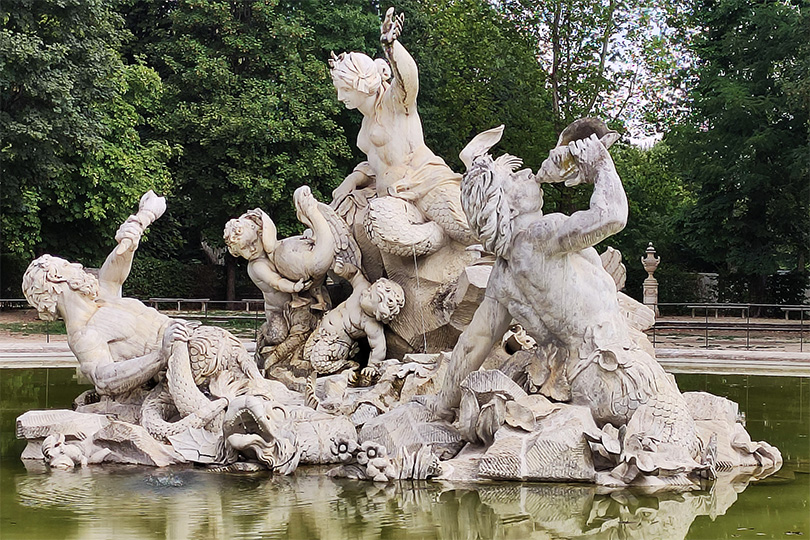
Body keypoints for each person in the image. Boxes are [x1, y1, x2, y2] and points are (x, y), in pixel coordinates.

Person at [431, 125, 702, 475]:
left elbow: (472, 345)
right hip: (620, 377)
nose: (528, 171)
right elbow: (613, 216)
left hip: (572, 386)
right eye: (513, 176)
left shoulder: (503, 275)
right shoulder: (540, 235)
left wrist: (441, 413)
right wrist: (602, 165)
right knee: (688, 431)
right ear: (505, 204)